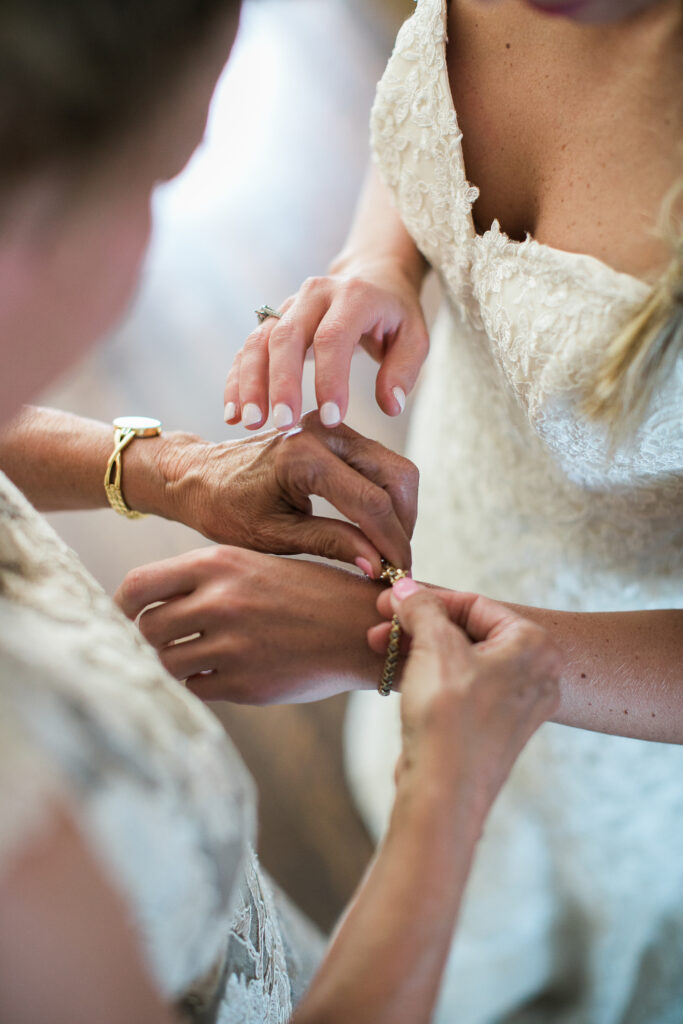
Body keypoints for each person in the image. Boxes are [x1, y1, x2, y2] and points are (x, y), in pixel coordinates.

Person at [0, 1, 563, 1022]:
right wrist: (446, 799)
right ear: (30, 223)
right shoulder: (22, 888)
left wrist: (165, 469)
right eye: (154, 180)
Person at [220, 0, 683, 1020]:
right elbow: (434, 110)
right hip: (455, 518)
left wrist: (390, 640)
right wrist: (379, 258)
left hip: (616, 710)